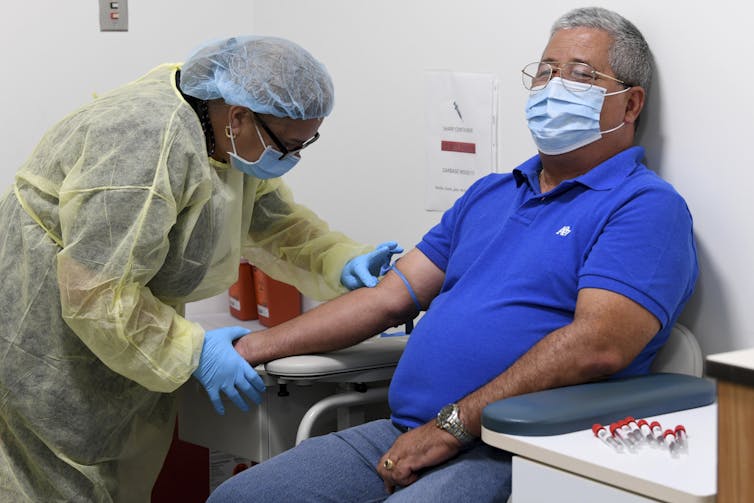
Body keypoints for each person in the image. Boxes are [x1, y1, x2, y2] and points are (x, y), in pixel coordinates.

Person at [208, 7, 698, 503]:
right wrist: (249, 349)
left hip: (517, 448)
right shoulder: (490, 194)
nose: (553, 86)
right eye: (545, 70)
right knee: (237, 498)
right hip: (404, 431)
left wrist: (451, 428)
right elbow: (385, 301)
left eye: (579, 74)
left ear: (630, 104)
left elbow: (599, 345)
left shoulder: (644, 207)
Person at [0, 36, 401, 502]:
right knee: (52, 484)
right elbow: (94, 289)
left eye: (305, 143)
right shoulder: (142, 140)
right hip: (44, 339)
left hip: (119, 335)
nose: (292, 158)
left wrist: (341, 259)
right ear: (239, 116)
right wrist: (192, 350)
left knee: (116, 483)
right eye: (289, 145)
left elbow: (273, 224)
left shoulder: (225, 137)